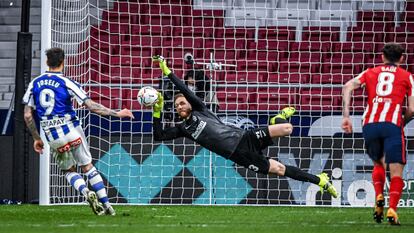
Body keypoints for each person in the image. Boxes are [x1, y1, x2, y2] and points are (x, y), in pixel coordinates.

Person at [151, 55, 338, 198]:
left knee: (286, 128)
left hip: (244, 137)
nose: (179, 107)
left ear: (189, 103)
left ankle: (277, 118)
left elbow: (184, 89)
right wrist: (157, 111)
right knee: (280, 170)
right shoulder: (184, 129)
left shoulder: (200, 109)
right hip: (240, 155)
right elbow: (159, 136)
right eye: (176, 106)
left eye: (182, 103)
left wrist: (166, 70)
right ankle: (320, 180)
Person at [22, 47, 134, 215]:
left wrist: (37, 138)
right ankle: (107, 205)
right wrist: (117, 113)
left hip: (53, 136)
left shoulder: (34, 83)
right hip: (72, 130)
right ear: (63, 62)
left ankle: (85, 192)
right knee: (88, 167)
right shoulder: (67, 82)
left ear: (46, 62)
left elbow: (28, 115)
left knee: (68, 170)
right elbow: (91, 106)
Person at [342, 43, 414, 225]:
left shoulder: (370, 72)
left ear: (382, 56)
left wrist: (346, 117)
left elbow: (348, 86)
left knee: (379, 163)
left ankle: (379, 197)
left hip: (370, 124)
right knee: (396, 171)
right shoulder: (407, 76)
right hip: (391, 125)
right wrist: (401, 122)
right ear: (402, 58)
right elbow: (412, 109)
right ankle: (392, 210)